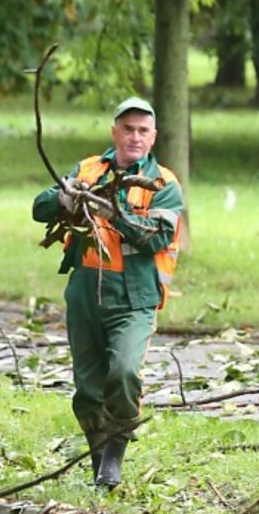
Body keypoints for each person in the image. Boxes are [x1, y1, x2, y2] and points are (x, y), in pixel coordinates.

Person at [32, 97, 183, 488]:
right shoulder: (87, 169)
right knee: (87, 390)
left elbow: (157, 238)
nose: (135, 137)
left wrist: (112, 210)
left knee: (124, 373)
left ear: (153, 138)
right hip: (84, 291)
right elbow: (39, 207)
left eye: (143, 131)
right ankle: (101, 465)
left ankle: (114, 454)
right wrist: (67, 197)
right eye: (128, 129)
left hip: (134, 297)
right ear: (114, 131)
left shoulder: (162, 184)